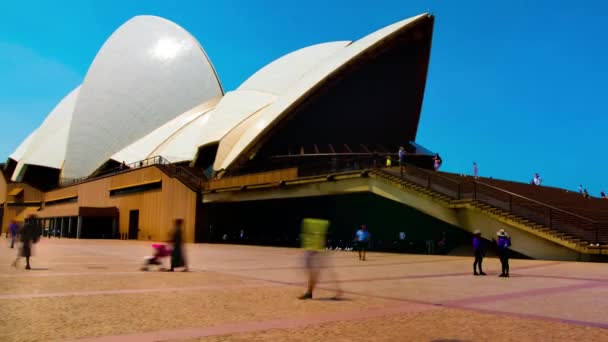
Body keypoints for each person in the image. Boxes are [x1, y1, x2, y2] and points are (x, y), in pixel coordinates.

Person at [298, 217, 341, 300]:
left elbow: (327, 237)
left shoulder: (317, 224)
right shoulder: (314, 224)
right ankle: (310, 292)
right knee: (315, 272)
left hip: (317, 251)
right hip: (313, 250)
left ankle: (310, 293)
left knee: (317, 273)